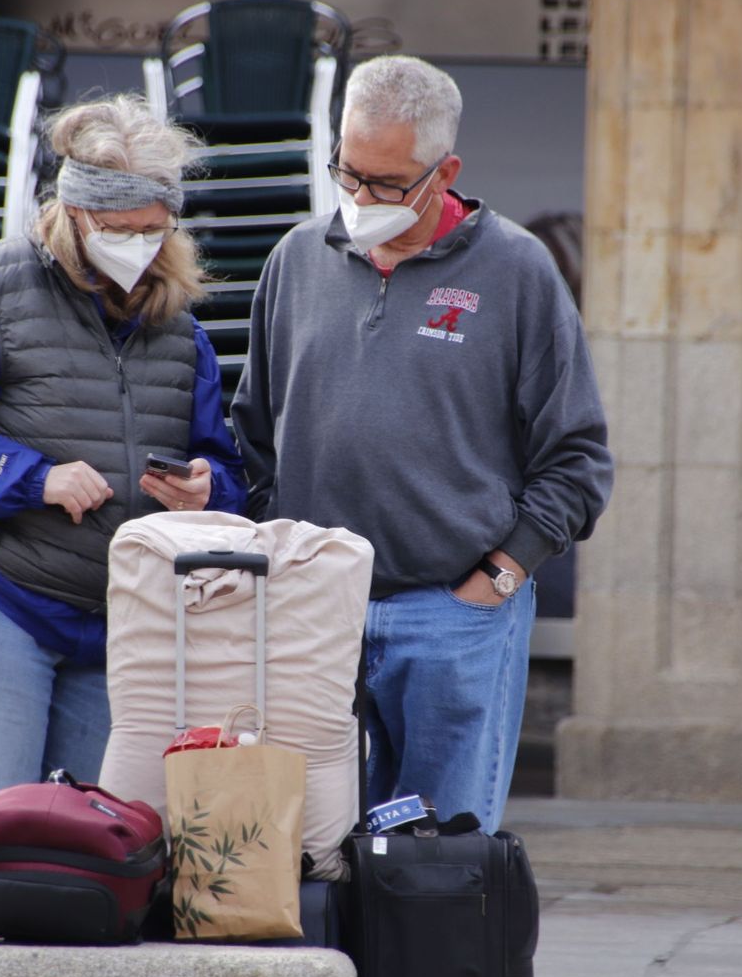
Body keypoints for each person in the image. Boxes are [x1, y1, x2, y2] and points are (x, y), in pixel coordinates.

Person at [0, 94, 247, 917]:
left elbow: (230, 465)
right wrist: (33, 476)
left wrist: (211, 486)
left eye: (156, 231)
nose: (140, 248)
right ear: (75, 215)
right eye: (124, 229)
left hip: (118, 619)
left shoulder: (181, 324)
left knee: (92, 861)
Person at [231, 55, 612, 833]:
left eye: (388, 183)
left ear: (446, 172)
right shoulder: (295, 261)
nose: (362, 198)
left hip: (453, 616)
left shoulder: (518, 271)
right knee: (302, 855)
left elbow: (576, 457)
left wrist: (497, 580)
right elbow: (254, 434)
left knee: (439, 867)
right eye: (349, 173)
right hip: (313, 615)